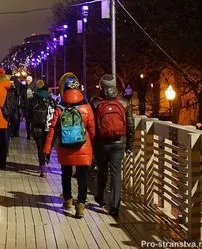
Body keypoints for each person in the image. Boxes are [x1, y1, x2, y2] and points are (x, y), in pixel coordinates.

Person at [43, 73, 95, 218]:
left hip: (65, 147)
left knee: (65, 174)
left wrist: (47, 148)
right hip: (83, 147)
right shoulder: (86, 108)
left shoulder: (60, 108)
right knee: (82, 177)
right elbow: (92, 130)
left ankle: (68, 200)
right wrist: (93, 147)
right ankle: (81, 206)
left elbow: (52, 129)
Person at [91, 74, 134, 217]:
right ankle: (115, 206)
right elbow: (130, 126)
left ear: (101, 86)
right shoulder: (124, 102)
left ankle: (101, 199)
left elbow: (92, 127)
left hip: (101, 143)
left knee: (102, 171)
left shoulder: (95, 102)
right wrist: (130, 145)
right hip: (119, 143)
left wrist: (92, 145)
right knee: (116, 174)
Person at [27, 80, 55, 177]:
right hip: (48, 126)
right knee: (48, 145)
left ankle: (43, 169)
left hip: (37, 126)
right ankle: (47, 158)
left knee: (40, 148)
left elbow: (29, 114)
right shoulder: (50, 99)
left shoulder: (33, 99)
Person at [21, 75, 36, 140]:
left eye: (28, 80)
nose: (27, 82)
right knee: (27, 122)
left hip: (32, 107)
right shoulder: (24, 87)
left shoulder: (34, 87)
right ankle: (28, 135)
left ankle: (32, 134)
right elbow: (23, 96)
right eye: (27, 80)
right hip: (26, 107)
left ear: (31, 80)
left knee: (32, 122)